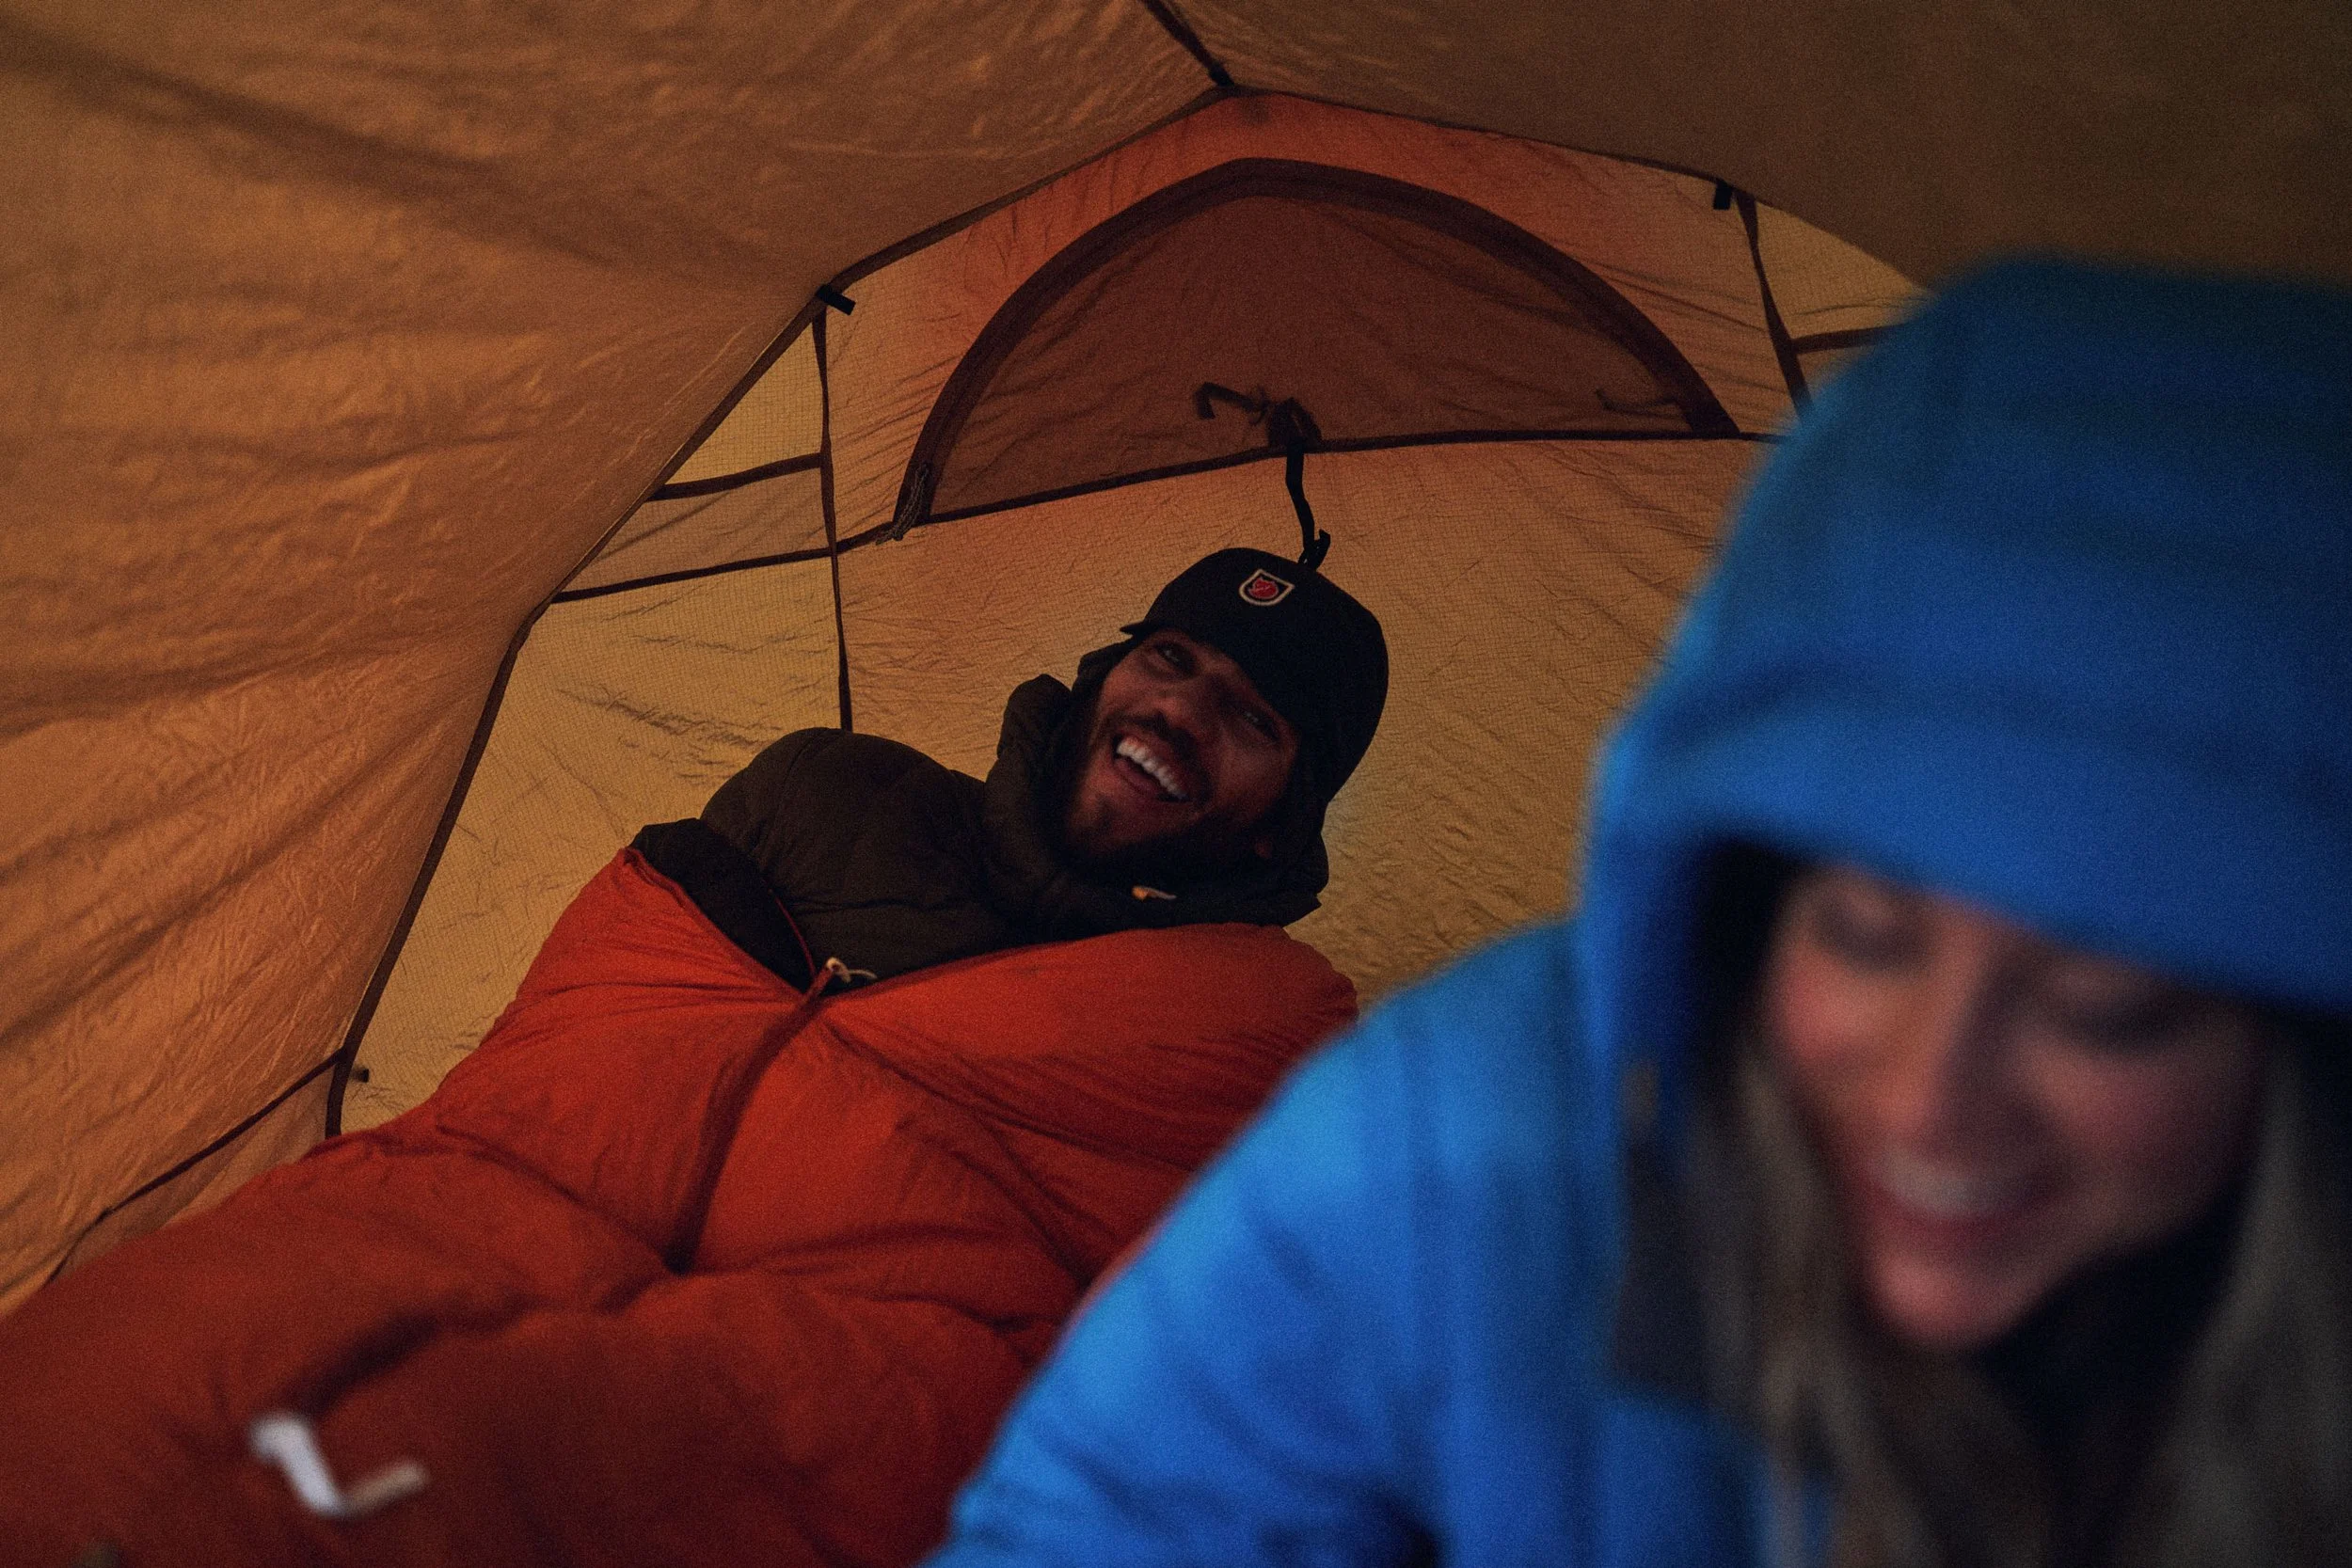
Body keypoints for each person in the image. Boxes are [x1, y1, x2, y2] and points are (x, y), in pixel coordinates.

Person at [927, 259, 2352, 1568]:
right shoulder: (1466, 1142)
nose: (1933, 1101)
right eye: (1865, 933)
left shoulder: (1285, 1025)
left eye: (2106, 1005)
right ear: (1747, 895)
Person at [0, 550, 1389, 1568]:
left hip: (867, 1352)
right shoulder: (834, 794)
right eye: (1171, 659)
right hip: (489, 1178)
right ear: (1106, 670)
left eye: (1252, 719)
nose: (1181, 713)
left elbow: (1169, 1365)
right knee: (115, 1391)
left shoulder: (1259, 1041)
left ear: (1286, 819)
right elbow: (587, 1028)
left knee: (454, 1463)